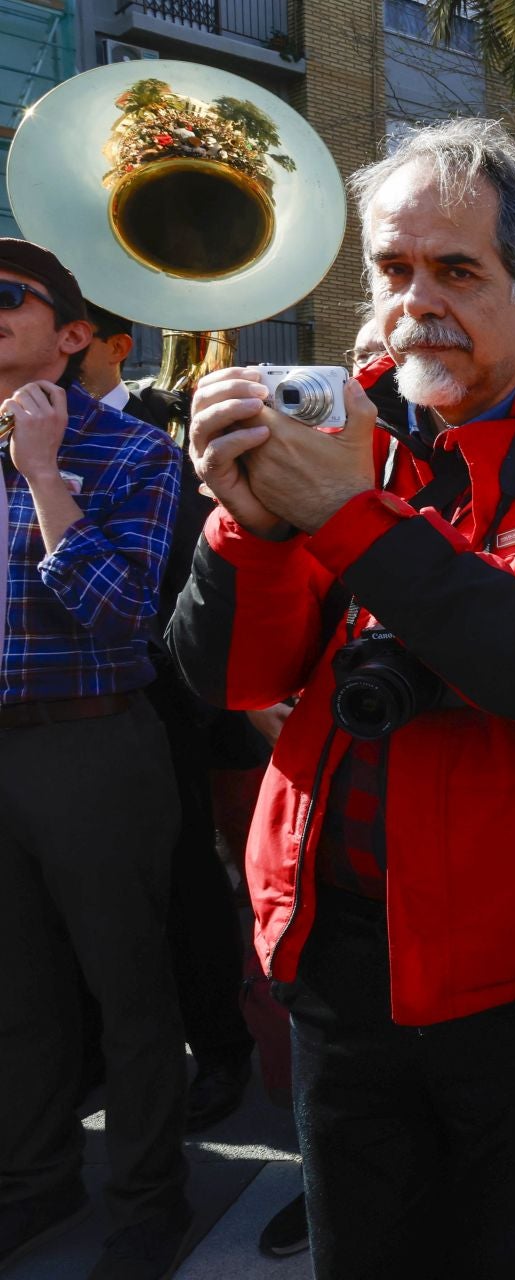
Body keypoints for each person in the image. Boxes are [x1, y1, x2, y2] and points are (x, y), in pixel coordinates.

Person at [166, 119, 515, 1278]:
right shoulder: (331, 425)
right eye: (394, 270)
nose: (418, 302)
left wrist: (347, 513)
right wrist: (246, 525)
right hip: (335, 970)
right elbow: (232, 678)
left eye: (458, 271)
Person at [0, 240, 188, 1280]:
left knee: (130, 990)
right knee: (16, 991)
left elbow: (123, 612)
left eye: (4, 295)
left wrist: (41, 479)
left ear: (73, 334)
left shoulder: (132, 452)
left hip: (92, 741)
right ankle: (35, 1179)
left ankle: (149, 1197)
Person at [78, 303, 258, 1134]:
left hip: (165, 683)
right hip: (66, 699)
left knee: (187, 874)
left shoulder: (162, 424)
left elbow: (197, 558)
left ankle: (221, 1048)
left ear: (107, 344)